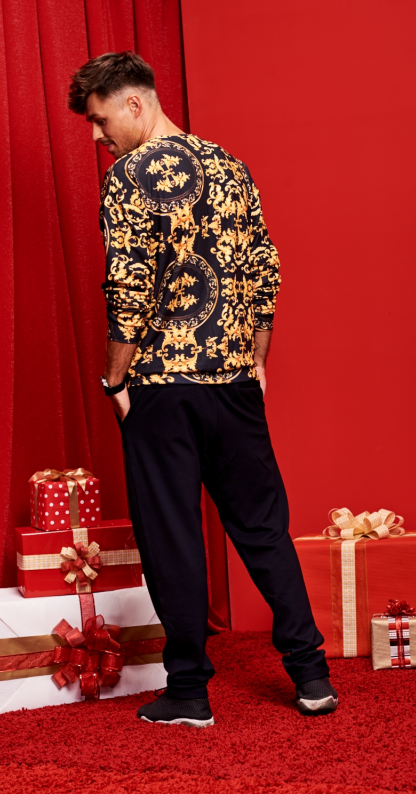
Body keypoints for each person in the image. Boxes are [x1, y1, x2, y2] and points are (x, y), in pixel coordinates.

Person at [68, 51, 338, 727]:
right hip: (233, 378)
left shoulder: (127, 178)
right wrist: (256, 359)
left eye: (101, 120)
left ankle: (189, 691)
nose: (98, 137)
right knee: (264, 528)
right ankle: (311, 676)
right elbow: (264, 270)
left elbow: (128, 288)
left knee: (173, 537)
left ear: (135, 103)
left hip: (161, 386)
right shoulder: (229, 166)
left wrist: (113, 380)